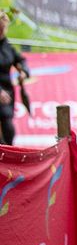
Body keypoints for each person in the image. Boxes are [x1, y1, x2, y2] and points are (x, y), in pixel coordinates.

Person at [0, 14, 30, 146]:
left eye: (3, 28)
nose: (1, 31)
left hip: (7, 92)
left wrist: (23, 71)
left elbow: (21, 60)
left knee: (8, 128)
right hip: (1, 92)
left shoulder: (7, 46)